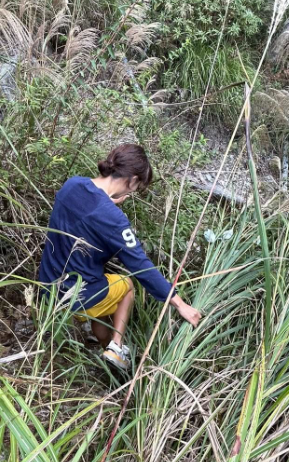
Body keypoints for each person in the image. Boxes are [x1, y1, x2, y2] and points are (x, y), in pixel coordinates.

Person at [38, 144, 202, 370]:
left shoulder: (72, 185)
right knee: (126, 286)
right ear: (132, 180)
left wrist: (108, 202)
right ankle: (116, 346)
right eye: (136, 188)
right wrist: (179, 303)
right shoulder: (113, 219)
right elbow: (141, 266)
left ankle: (107, 354)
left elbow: (84, 215)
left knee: (106, 306)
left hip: (47, 283)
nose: (132, 193)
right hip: (76, 294)